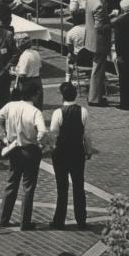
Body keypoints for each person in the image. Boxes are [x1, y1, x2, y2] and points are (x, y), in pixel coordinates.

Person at [0, 78, 47, 230]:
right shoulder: (35, 112)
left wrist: (4, 138)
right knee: (28, 186)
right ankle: (25, 221)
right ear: (34, 95)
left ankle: (3, 218)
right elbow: (42, 132)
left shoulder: (10, 106)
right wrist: (40, 143)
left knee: (11, 183)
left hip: (14, 148)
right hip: (30, 150)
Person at [48, 81, 93, 229]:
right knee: (79, 186)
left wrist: (52, 148)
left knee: (62, 187)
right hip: (77, 152)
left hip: (61, 153)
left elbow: (53, 134)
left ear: (62, 96)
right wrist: (88, 150)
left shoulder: (58, 113)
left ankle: (59, 220)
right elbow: (86, 135)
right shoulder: (83, 112)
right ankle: (81, 219)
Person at [84, 0, 115, 107]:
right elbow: (100, 26)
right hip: (99, 41)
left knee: (96, 68)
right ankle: (95, 98)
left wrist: (108, 16)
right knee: (98, 71)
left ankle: (94, 95)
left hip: (91, 39)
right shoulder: (99, 4)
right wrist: (113, 22)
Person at [12, 34, 43, 109]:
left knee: (27, 107)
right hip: (37, 81)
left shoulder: (24, 56)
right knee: (37, 105)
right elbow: (39, 66)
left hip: (27, 84)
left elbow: (22, 74)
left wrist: (13, 72)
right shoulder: (36, 53)